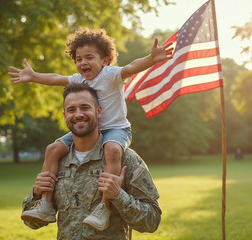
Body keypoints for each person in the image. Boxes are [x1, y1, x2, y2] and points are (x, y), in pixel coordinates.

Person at [9, 27, 172, 231]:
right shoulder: (79, 80)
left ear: (104, 60)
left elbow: (131, 66)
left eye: (89, 57)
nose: (83, 63)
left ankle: (103, 206)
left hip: (115, 129)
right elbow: (55, 78)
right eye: (78, 59)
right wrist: (33, 76)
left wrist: (151, 58)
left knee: (112, 150)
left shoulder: (111, 75)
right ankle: (45, 203)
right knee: (52, 149)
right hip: (96, 133)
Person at [21, 83, 162, 239]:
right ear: (64, 116)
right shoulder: (56, 161)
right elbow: (32, 223)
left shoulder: (125, 159)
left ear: (99, 111)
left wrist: (118, 196)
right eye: (71, 110)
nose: (78, 114)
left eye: (85, 107)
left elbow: (152, 221)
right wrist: (36, 193)